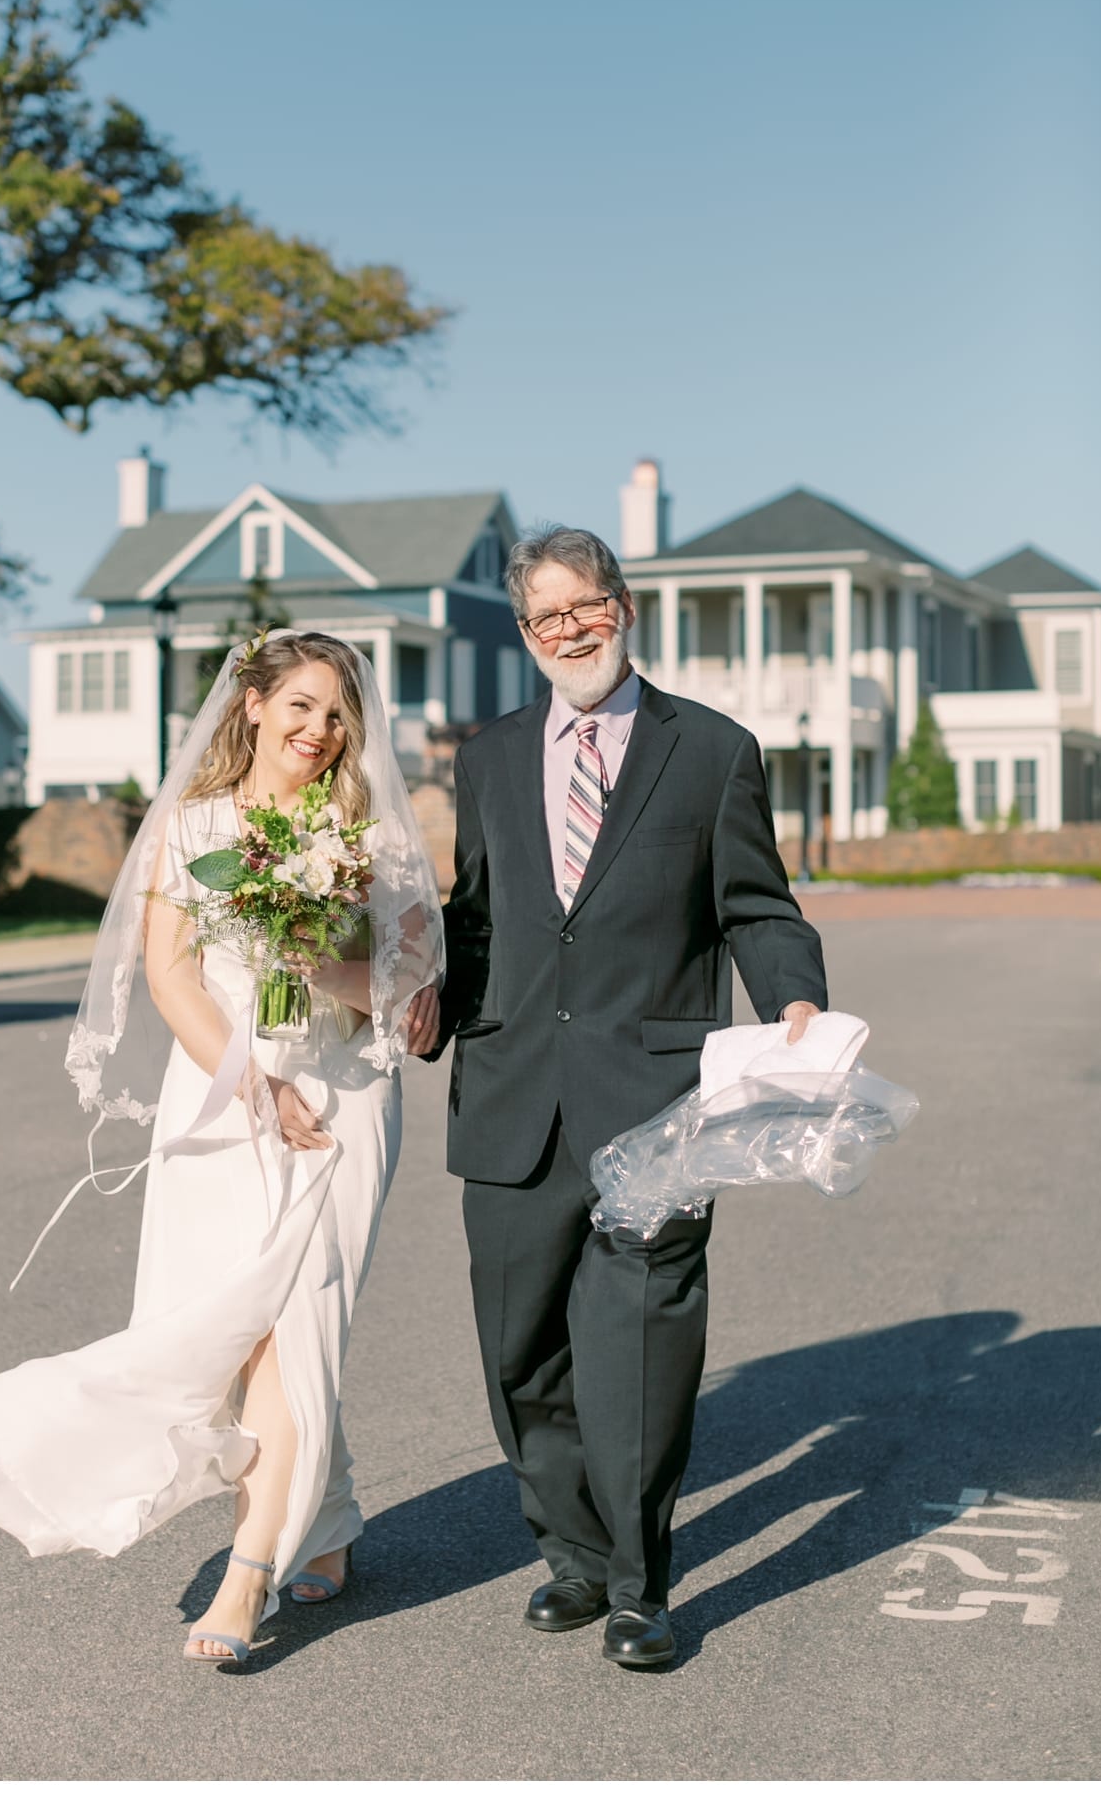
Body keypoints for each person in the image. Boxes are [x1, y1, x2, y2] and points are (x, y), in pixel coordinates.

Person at [0, 631, 443, 1666]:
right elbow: (169, 977)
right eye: (299, 705)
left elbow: (413, 1000)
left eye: (338, 714)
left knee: (295, 1329)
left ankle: (248, 1579)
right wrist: (250, 1083)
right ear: (251, 705)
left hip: (338, 1099)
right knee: (233, 1329)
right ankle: (327, 1521)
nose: (318, 730)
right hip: (219, 1096)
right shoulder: (190, 826)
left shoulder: (372, 835)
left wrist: (321, 958)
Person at [427, 527, 828, 1670]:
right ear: (524, 633)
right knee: (520, 1351)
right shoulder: (489, 754)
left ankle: (641, 1584)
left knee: (640, 1342)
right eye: (545, 617)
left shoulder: (710, 750)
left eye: (584, 607)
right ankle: (572, 1555)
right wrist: (421, 1001)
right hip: (508, 1095)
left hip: (654, 1102)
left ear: (624, 606)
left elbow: (757, 906)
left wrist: (792, 1000)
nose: (569, 631)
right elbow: (480, 918)